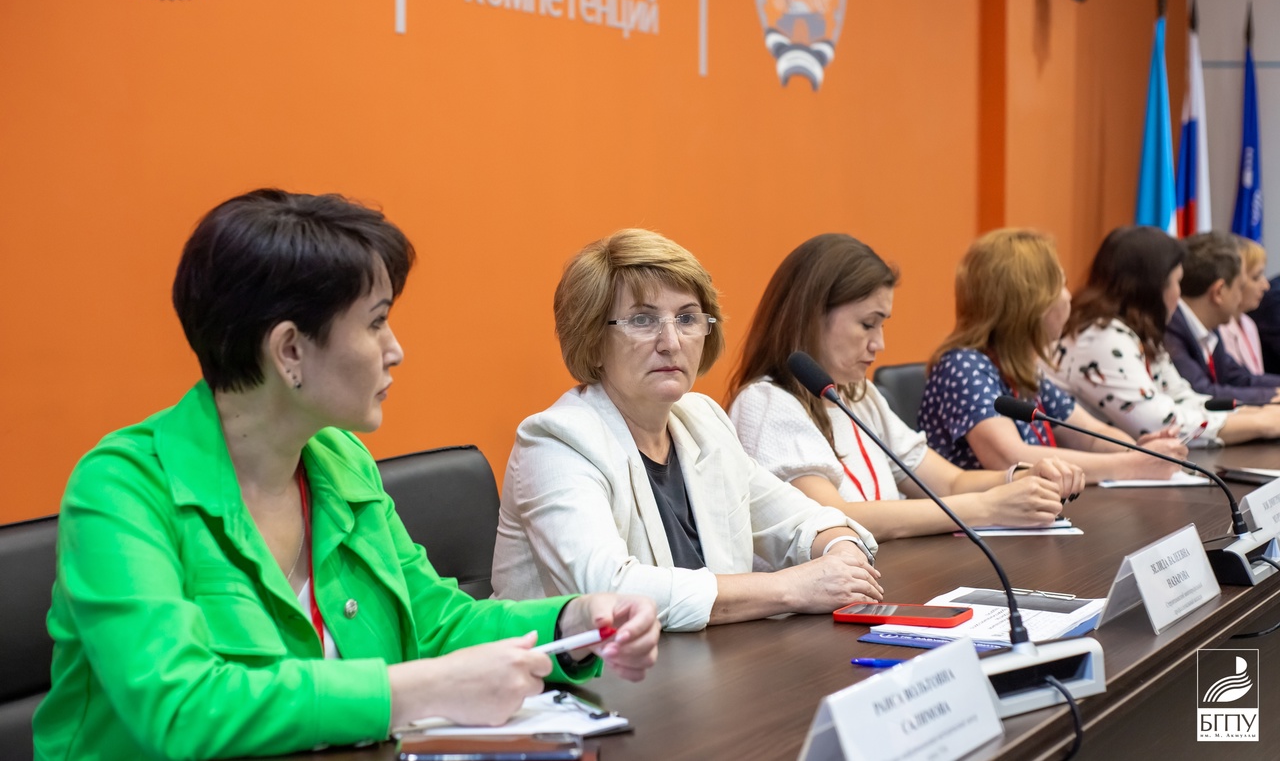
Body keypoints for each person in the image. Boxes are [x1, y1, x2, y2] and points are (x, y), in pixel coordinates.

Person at [33, 190, 660, 761]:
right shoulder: (121, 489)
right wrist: (415, 691)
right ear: (290, 350)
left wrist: (571, 622)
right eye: (376, 321)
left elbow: (433, 623)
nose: (395, 349)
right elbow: (180, 707)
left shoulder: (339, 460)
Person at [491, 229, 884, 632]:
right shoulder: (556, 442)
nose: (672, 342)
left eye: (687, 318)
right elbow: (609, 592)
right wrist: (790, 588)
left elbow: (801, 520)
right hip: (570, 669)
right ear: (593, 339)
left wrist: (842, 549)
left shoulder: (702, 421)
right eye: (642, 320)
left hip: (705, 660)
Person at [725, 233, 1083, 540]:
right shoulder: (767, 402)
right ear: (811, 316)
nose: (879, 344)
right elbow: (834, 517)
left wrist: (1020, 476)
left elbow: (950, 483)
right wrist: (988, 507)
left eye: (882, 325)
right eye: (868, 324)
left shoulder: (858, 395)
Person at [919, 228, 1186, 479]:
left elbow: (1091, 434)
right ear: (1031, 303)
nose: (1068, 297)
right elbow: (1010, 458)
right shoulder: (962, 366)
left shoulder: (1020, 367)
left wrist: (1137, 451)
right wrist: (1131, 465)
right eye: (1061, 285)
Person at [1049, 225, 1280, 446]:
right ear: (1153, 287)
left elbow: (1181, 397)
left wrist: (1256, 413)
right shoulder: (1101, 338)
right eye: (1177, 282)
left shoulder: (1140, 335)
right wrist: (1261, 423)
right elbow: (1159, 424)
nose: (1179, 295)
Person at [1164, 232, 1280, 404]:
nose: (1240, 297)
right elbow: (1201, 392)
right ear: (1218, 292)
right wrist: (1270, 397)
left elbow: (1239, 378)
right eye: (1240, 287)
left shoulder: (1210, 327)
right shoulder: (1170, 329)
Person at [1220, 236, 1271, 375]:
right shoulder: (1218, 330)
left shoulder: (1249, 324)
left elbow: (1257, 380)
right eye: (1256, 277)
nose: (1266, 286)